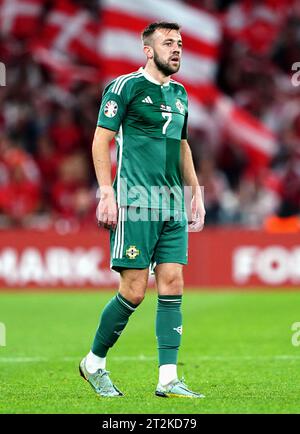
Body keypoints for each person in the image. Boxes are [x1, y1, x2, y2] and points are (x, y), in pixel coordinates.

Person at [79, 21, 206, 398]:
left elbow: (181, 144)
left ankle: (168, 378)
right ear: (148, 50)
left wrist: (194, 189)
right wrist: (106, 193)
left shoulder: (182, 94)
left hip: (171, 206)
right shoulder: (124, 87)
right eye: (168, 43)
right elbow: (101, 142)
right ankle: (94, 362)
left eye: (180, 43)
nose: (177, 49)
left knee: (173, 282)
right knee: (133, 291)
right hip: (135, 203)